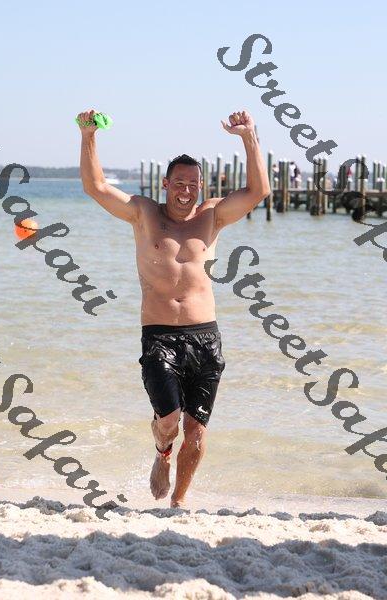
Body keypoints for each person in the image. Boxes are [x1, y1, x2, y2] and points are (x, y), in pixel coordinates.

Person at [77, 109, 270, 508]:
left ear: (202, 186)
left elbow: (258, 192)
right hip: (160, 336)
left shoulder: (212, 216)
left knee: (196, 432)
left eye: (193, 184)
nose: (186, 191)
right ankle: (162, 452)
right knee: (168, 422)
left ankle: (178, 504)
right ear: (165, 184)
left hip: (205, 337)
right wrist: (88, 135)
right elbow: (96, 187)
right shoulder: (144, 214)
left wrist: (249, 136)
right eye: (179, 183)